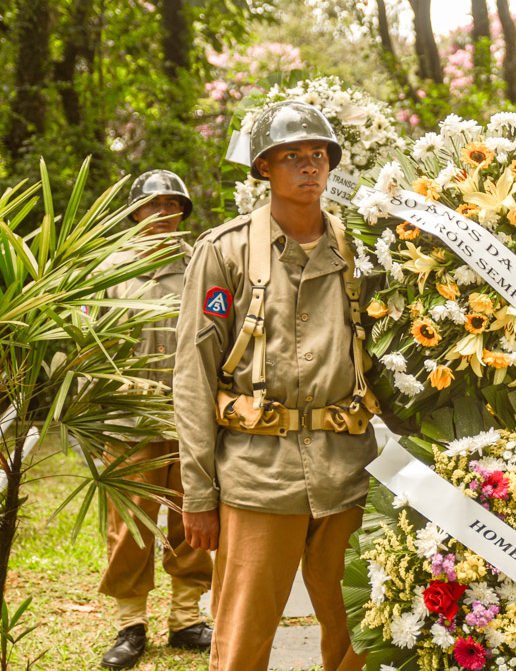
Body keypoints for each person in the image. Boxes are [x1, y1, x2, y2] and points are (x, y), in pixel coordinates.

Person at [173, 100, 384, 671]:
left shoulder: (362, 253)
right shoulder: (225, 251)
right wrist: (198, 494)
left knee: (361, 635)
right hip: (258, 476)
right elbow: (193, 375)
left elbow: (390, 359)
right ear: (264, 167)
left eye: (319, 154)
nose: (309, 166)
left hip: (346, 472)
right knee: (243, 639)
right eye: (292, 156)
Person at [99, 170, 214, 670]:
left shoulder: (202, 269)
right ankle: (131, 624)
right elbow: (83, 347)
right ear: (135, 212)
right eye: (153, 205)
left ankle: (186, 619)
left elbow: (220, 331)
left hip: (190, 418)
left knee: (194, 518)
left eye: (173, 206)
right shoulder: (106, 271)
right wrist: (105, 388)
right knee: (131, 524)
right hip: (127, 421)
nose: (164, 214)